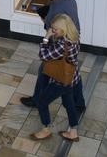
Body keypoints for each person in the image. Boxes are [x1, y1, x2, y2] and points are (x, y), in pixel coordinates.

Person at [20, 0, 86, 112]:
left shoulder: (58, 9)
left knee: (44, 70)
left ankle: (38, 100)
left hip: (60, 43)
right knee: (73, 72)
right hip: (73, 39)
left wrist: (46, 34)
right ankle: (79, 104)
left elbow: (50, 27)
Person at [29, 14, 81, 142]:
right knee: (69, 104)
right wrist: (54, 37)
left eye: (54, 29)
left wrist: (46, 38)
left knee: (41, 102)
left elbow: (43, 56)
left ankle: (46, 130)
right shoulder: (74, 38)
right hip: (71, 78)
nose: (52, 31)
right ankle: (73, 132)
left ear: (63, 30)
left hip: (60, 81)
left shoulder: (62, 45)